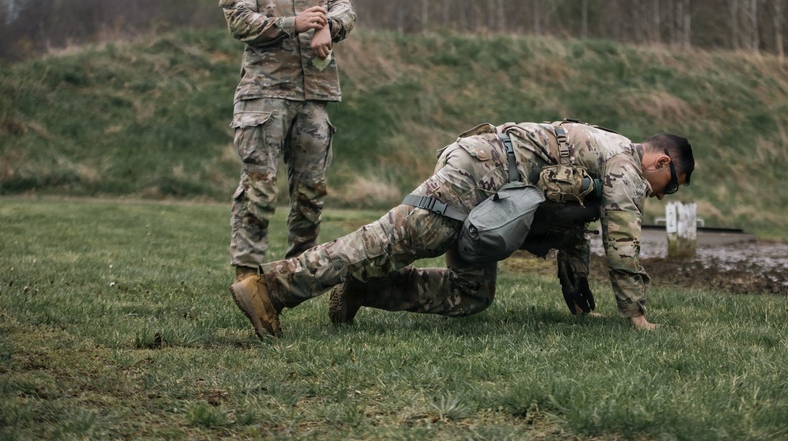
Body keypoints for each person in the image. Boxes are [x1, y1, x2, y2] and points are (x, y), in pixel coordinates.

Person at [230, 120, 694, 338]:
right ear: (661, 161)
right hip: (482, 172)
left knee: (472, 294)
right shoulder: (625, 168)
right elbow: (622, 243)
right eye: (669, 186)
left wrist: (580, 307)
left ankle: (362, 291)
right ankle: (270, 287)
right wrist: (635, 316)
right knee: (394, 240)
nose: (662, 196)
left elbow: (573, 233)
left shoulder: (606, 160)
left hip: (494, 184)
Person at [219, 0, 357, 284]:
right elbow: (240, 23)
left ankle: (298, 275)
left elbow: (348, 10)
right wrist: (291, 23)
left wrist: (328, 25)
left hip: (313, 98)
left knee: (311, 193)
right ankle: (247, 277)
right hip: (264, 99)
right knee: (259, 190)